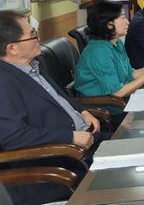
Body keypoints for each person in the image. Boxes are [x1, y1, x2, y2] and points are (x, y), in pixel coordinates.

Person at [0, 11, 99, 204]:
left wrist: (82, 111)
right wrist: (70, 138)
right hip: (55, 165)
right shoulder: (4, 82)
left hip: (86, 145)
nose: (38, 38)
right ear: (12, 48)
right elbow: (13, 137)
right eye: (32, 34)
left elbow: (61, 98)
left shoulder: (34, 66)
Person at [74, 1, 144, 114]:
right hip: (107, 106)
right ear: (109, 24)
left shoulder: (116, 43)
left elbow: (129, 75)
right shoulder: (99, 51)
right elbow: (118, 92)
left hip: (122, 100)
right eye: (123, 18)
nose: (128, 22)